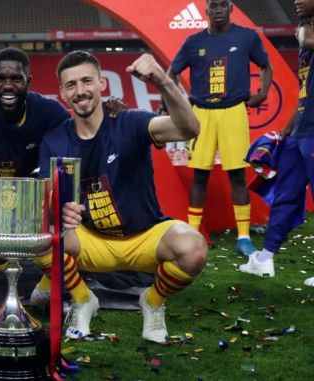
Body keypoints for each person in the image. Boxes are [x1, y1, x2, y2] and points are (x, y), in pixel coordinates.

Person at [0, 47, 129, 314]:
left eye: (17, 79)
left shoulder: (50, 112)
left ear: (29, 81)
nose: (8, 85)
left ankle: (49, 285)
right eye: (1, 79)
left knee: (63, 215)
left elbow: (80, 138)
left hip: (28, 201)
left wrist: (105, 112)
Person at [39, 51, 207, 343]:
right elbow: (46, 202)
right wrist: (58, 210)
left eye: (87, 81)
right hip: (90, 240)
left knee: (193, 249)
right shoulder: (54, 140)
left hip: (144, 237)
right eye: (71, 85)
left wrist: (163, 82)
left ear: (102, 83)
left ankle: (152, 302)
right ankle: (82, 299)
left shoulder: (131, 122)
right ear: (62, 93)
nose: (80, 91)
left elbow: (189, 128)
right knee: (36, 237)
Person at [167, 0, 273, 256]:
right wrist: (179, 102)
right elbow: (171, 72)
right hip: (201, 113)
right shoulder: (193, 42)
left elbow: (265, 65)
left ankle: (244, 237)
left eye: (222, 5)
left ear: (230, 8)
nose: (217, 10)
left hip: (234, 111)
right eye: (213, 6)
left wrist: (263, 92)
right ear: (206, 11)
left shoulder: (247, 37)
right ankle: (192, 235)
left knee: (237, 174)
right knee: (200, 175)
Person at [240, 7, 314, 280]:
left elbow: (305, 37)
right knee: (285, 195)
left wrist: (304, 28)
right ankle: (264, 258)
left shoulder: (306, 36)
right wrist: (284, 131)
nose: (296, 1)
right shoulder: (305, 39)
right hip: (300, 133)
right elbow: (304, 95)